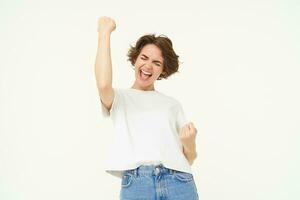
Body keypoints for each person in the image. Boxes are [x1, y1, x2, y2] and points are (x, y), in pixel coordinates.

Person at [95, 16, 199, 200]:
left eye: (156, 63)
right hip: (137, 184)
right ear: (135, 59)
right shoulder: (120, 98)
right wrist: (104, 33)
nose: (148, 66)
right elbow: (103, 85)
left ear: (163, 71)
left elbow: (189, 159)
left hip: (179, 181)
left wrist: (189, 142)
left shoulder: (172, 105)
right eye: (144, 58)